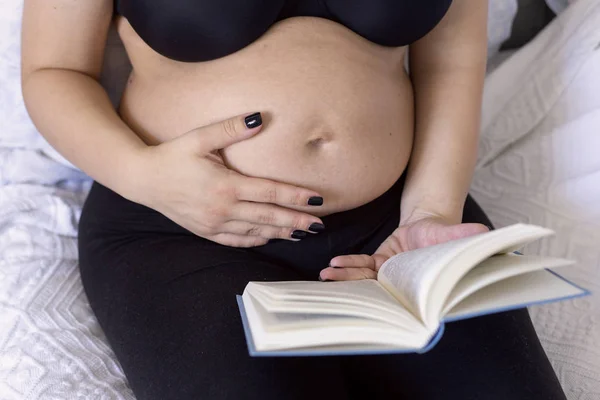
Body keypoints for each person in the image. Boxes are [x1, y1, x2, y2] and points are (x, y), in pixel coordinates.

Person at [21, 0, 566, 399]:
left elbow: (449, 62)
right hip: (176, 228)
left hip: (398, 222)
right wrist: (144, 175)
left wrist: (430, 213)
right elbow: (54, 70)